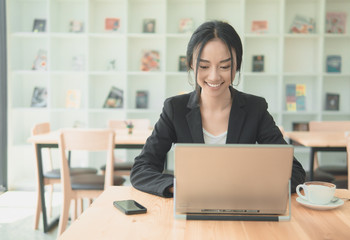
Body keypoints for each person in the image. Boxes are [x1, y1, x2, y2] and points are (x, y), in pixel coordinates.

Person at [130, 20, 305, 198]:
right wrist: (177, 188)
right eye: (204, 66)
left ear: (237, 66)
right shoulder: (175, 109)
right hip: (191, 206)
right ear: (191, 63)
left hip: (241, 206)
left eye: (225, 66)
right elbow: (142, 169)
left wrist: (254, 188)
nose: (214, 76)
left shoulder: (255, 109)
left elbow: (294, 171)